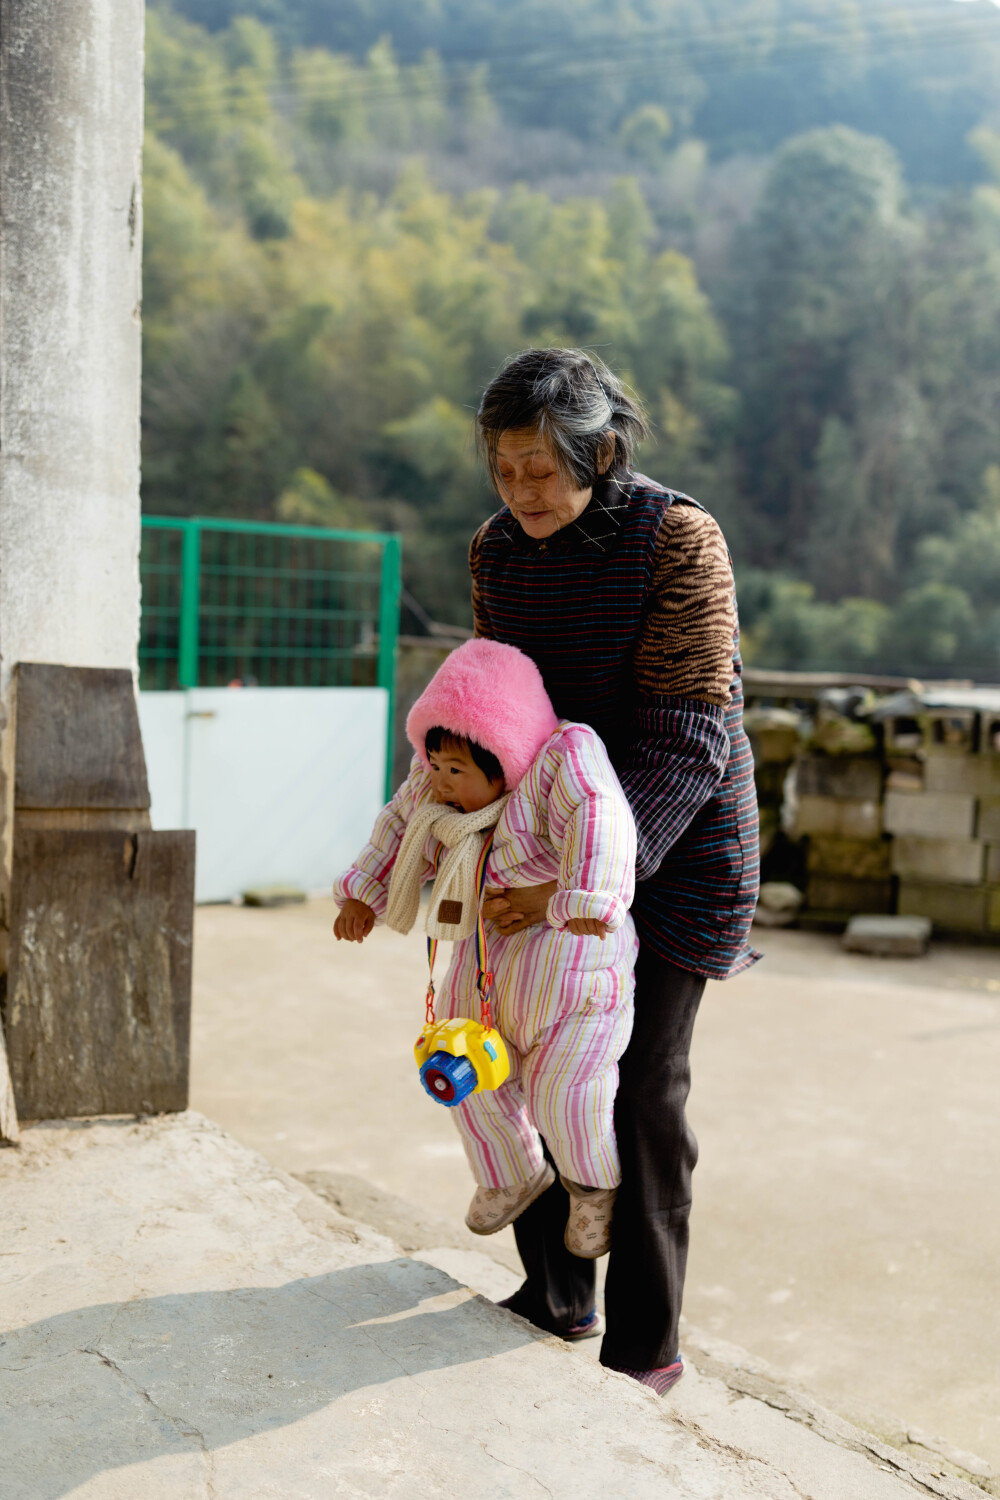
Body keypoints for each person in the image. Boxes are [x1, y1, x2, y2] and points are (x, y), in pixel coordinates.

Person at [469, 347, 761, 1394]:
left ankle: (647, 1346)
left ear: (599, 452)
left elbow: (689, 738)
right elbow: (497, 711)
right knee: (523, 1052)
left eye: (542, 469)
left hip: (677, 844)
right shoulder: (498, 553)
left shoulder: (676, 538)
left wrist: (578, 890)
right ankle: (554, 1292)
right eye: (505, 470)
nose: (522, 492)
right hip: (543, 837)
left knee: (636, 1085)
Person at [333, 637, 639, 1264]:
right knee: (460, 1067)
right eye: (435, 766)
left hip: (571, 969)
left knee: (566, 1090)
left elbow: (600, 814)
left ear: (503, 756)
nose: (441, 783)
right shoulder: (431, 781)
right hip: (485, 966)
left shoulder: (563, 759)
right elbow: (396, 822)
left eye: (457, 772)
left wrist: (587, 896)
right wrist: (362, 892)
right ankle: (510, 1172)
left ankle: (591, 1188)